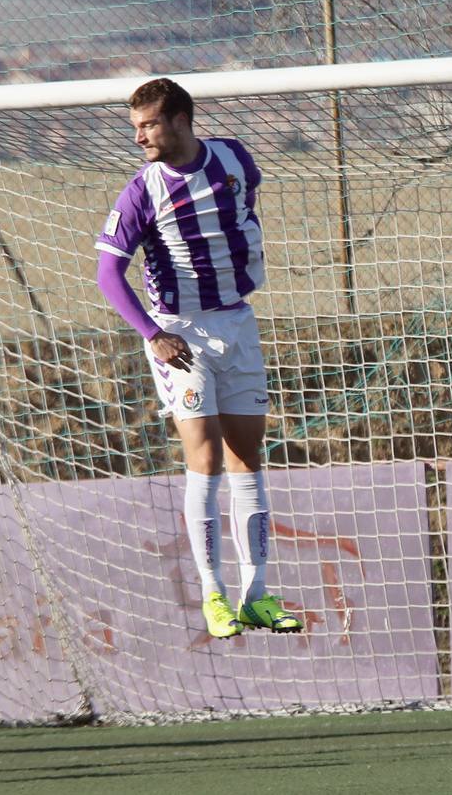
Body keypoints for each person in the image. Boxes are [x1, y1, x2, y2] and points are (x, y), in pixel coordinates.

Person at [95, 77, 301, 639]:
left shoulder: (235, 158)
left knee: (247, 457)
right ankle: (214, 594)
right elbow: (107, 273)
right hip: (178, 336)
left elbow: (243, 211)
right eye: (135, 127)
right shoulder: (142, 190)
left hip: (236, 322)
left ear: (182, 120)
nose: (140, 137)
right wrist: (152, 333)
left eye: (149, 125)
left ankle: (256, 593)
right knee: (204, 456)